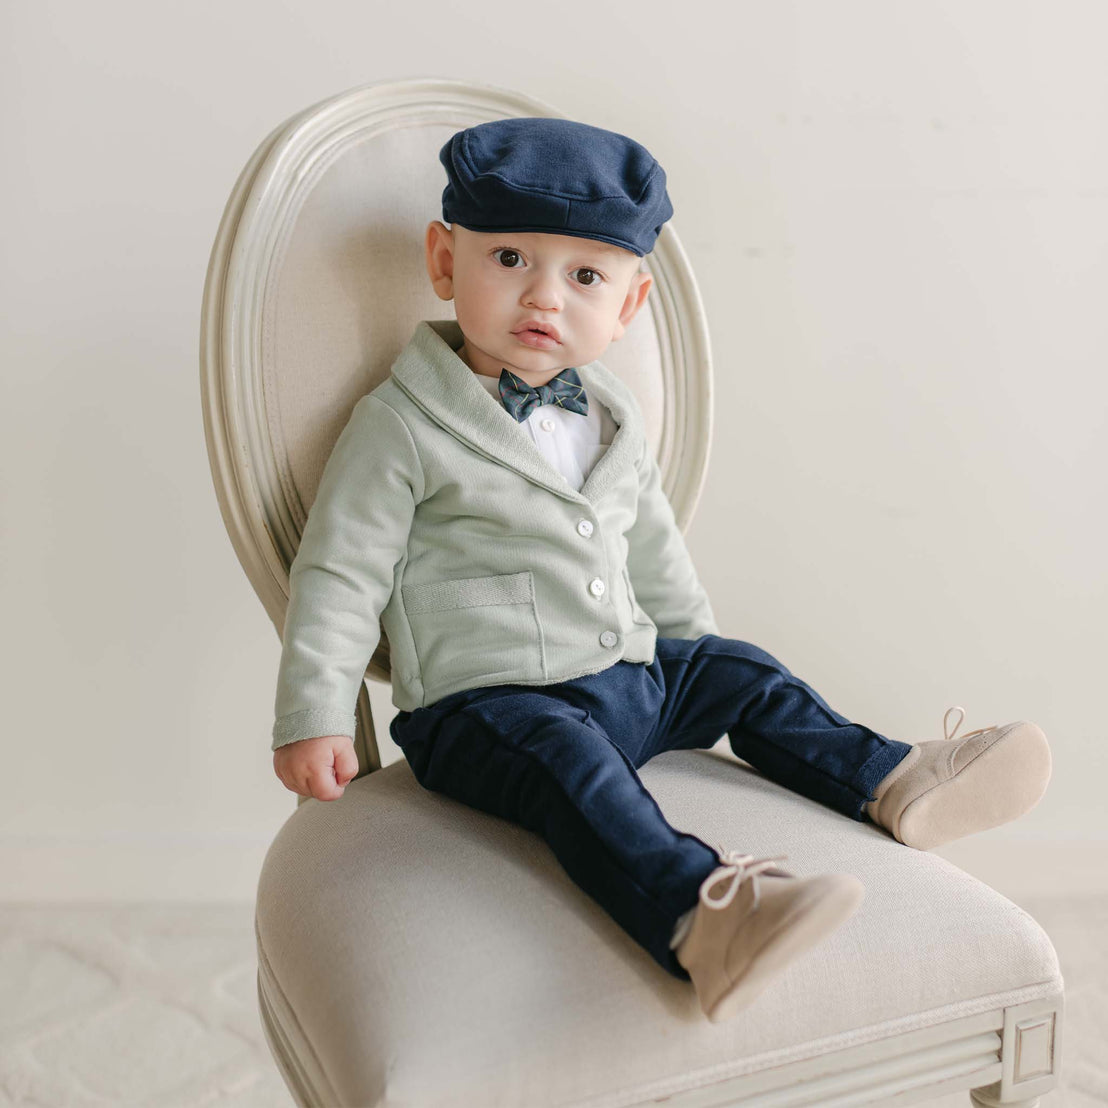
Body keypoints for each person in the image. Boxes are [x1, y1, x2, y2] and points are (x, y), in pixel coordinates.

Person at [269, 117, 1053, 1022]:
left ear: (629, 305)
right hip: (488, 704)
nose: (545, 298)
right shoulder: (401, 423)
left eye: (585, 276)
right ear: (445, 263)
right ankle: (700, 914)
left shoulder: (612, 414)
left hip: (625, 677)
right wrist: (317, 712)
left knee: (744, 671)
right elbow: (340, 571)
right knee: (572, 769)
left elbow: (655, 553)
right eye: (511, 260)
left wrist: (691, 657)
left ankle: (892, 779)